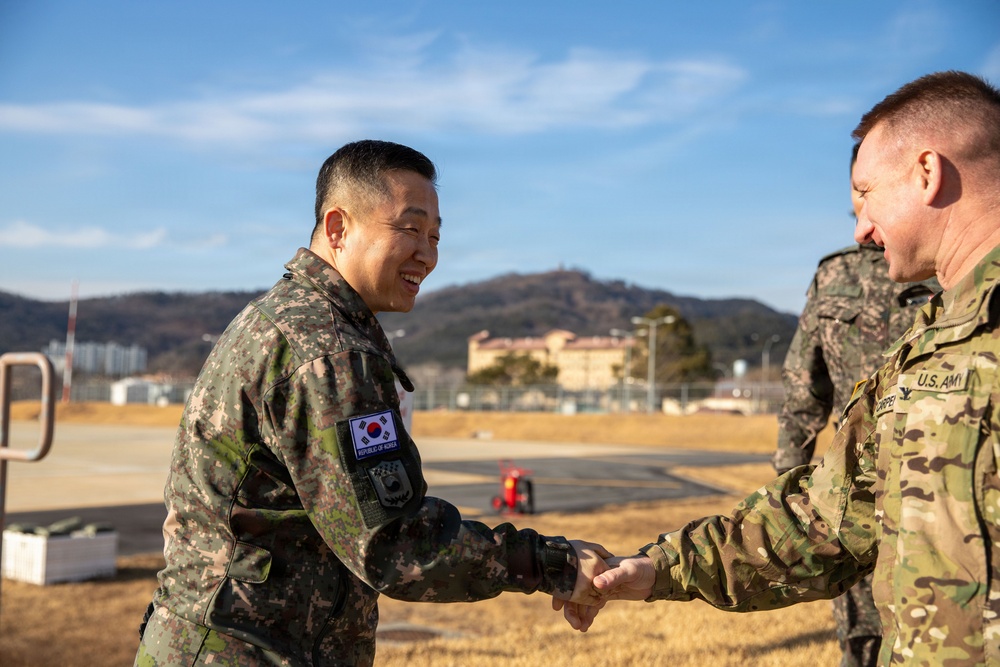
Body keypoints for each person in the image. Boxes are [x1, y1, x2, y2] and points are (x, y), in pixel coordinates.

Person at [560, 71, 1000, 665]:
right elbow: (826, 521)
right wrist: (658, 570)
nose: (861, 229)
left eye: (867, 193)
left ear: (927, 173)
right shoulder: (926, 344)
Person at [135, 140, 608, 666]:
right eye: (409, 229)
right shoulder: (328, 352)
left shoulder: (291, 319)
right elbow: (398, 546)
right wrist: (552, 563)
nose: (427, 253)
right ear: (338, 228)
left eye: (434, 235)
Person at [774, 145, 939, 666]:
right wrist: (791, 499)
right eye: (856, 199)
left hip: (935, 483)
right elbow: (802, 392)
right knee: (862, 640)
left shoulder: (945, 264)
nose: (863, 222)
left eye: (871, 197)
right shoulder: (833, 276)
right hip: (854, 488)